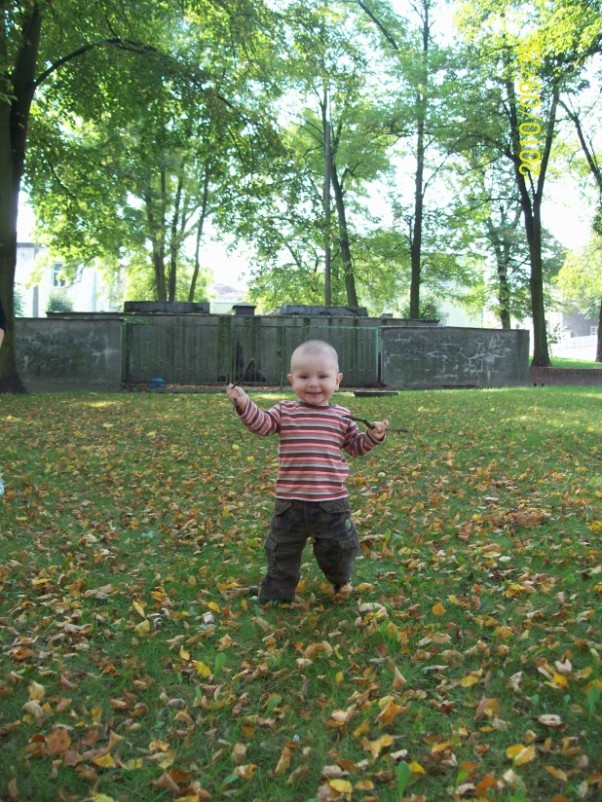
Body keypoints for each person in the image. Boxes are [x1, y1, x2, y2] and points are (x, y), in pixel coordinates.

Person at [226, 339, 389, 605]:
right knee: (282, 551)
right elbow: (263, 425)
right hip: (290, 504)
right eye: (304, 377)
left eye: (322, 376)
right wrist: (244, 404)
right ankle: (277, 595)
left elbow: (356, 447)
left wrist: (373, 436)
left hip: (332, 504)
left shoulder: (342, 416)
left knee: (338, 549)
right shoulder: (285, 411)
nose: (313, 384)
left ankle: (341, 581)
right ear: (292, 380)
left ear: (337, 381)